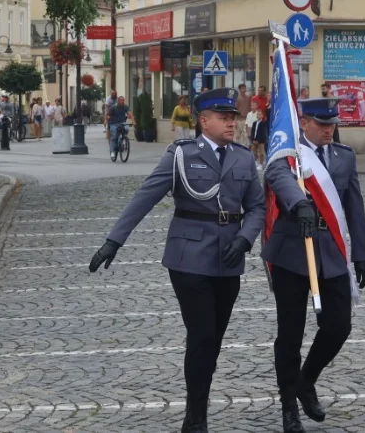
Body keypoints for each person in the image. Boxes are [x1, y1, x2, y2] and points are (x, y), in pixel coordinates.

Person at [88, 88, 264, 433]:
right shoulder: (182, 154)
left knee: (213, 339)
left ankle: (194, 408)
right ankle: (198, 417)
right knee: (201, 335)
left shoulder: (242, 158)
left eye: (233, 117)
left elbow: (257, 206)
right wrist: (114, 241)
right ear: (204, 121)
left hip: (230, 257)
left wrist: (245, 239)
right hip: (189, 259)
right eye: (224, 117)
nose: (232, 122)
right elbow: (146, 195)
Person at [264, 98, 365, 432]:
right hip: (292, 252)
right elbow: (276, 177)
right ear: (304, 123)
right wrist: (299, 204)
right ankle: (287, 406)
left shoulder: (344, 156)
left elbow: (354, 206)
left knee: (339, 326)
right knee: (290, 333)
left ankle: (305, 381)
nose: (328, 130)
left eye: (332, 124)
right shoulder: (288, 154)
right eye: (321, 124)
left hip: (332, 252)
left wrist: (361, 253)